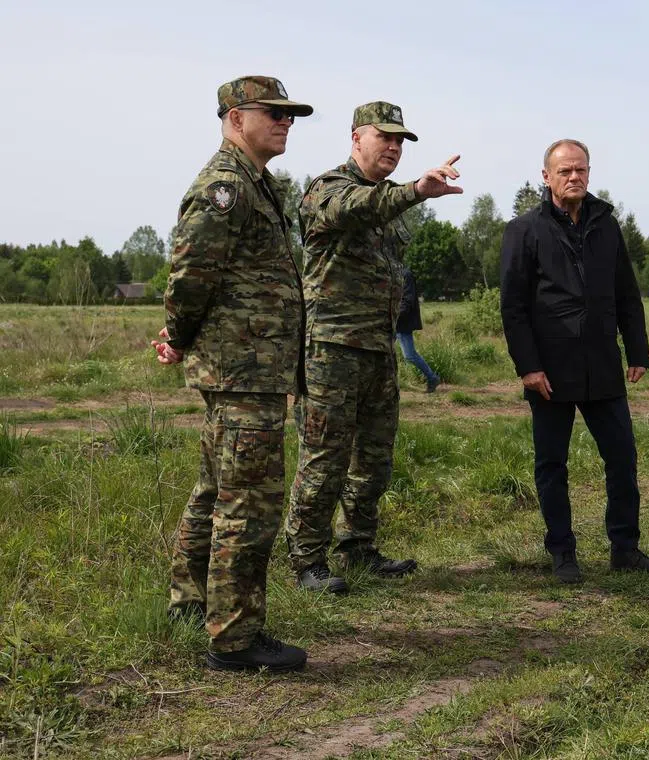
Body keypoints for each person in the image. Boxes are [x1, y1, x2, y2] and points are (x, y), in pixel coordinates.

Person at [152, 75, 312, 672]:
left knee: (217, 491)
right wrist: (181, 336)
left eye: (290, 115)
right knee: (251, 503)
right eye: (273, 112)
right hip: (243, 370)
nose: (285, 122)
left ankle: (191, 603)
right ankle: (235, 637)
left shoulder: (255, 183)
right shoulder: (225, 186)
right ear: (234, 117)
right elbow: (190, 276)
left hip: (252, 369)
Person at [285, 101, 462, 595]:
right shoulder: (328, 190)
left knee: (374, 459)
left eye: (401, 141)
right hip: (330, 351)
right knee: (324, 457)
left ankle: (358, 546)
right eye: (385, 137)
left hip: (378, 348)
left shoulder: (388, 204)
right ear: (356, 137)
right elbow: (359, 206)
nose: (394, 147)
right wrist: (416, 191)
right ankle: (307, 559)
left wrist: (406, 196)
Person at [499, 139, 649, 584]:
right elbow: (513, 308)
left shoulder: (606, 226)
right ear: (546, 176)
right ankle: (562, 552)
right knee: (552, 464)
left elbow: (627, 292)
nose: (574, 177)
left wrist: (638, 350)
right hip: (549, 373)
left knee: (622, 458)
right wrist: (528, 367)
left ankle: (625, 549)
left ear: (589, 173)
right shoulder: (524, 230)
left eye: (581, 170)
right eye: (565, 171)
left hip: (603, 366)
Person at [396, 265, 441, 392]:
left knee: (409, 355)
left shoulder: (406, 275)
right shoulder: (389, 273)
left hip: (401, 322)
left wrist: (395, 315)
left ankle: (432, 378)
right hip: (391, 320)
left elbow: (407, 301)